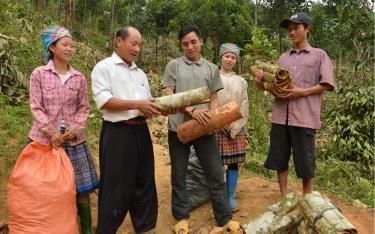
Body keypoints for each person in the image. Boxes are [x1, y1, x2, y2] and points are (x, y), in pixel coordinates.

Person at [163, 25, 243, 234]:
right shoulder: (173, 66)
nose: (190, 47)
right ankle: (181, 218)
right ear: (181, 45)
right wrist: (192, 111)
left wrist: (213, 121)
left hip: (205, 130)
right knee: (179, 174)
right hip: (178, 129)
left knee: (215, 173)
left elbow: (214, 98)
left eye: (193, 42)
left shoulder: (210, 68)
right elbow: (169, 95)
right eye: (185, 44)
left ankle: (225, 219)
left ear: (201, 41)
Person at [251, 12, 334, 196]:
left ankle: (307, 200)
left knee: (305, 163)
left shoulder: (319, 55)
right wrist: (261, 84)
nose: (292, 32)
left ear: (308, 29)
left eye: (296, 28)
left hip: (304, 117)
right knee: (280, 159)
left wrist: (302, 91)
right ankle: (283, 197)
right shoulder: (283, 59)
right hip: (281, 116)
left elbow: (327, 84)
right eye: (289, 29)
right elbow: (278, 89)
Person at [28, 25, 99, 234]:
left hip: (73, 142)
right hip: (44, 142)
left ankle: (86, 230)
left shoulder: (78, 78)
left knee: (81, 191)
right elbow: (35, 106)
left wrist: (76, 128)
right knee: (47, 190)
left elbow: (84, 107)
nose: (70, 49)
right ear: (52, 48)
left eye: (72, 45)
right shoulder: (39, 74)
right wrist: (52, 133)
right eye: (65, 44)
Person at [91, 26, 161, 234]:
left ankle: (147, 228)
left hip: (141, 132)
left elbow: (145, 104)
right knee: (115, 187)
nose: (137, 49)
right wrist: (138, 104)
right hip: (117, 134)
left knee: (145, 181)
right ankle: (106, 229)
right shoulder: (104, 68)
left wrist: (155, 108)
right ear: (119, 41)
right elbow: (104, 101)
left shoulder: (140, 74)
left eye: (140, 44)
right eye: (134, 43)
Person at [216, 43, 249, 212]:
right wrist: (218, 122)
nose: (229, 59)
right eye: (227, 56)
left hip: (236, 128)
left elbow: (244, 105)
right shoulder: (213, 77)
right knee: (216, 164)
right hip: (217, 127)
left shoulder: (241, 81)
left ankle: (230, 197)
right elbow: (210, 101)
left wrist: (235, 126)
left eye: (233, 57)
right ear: (221, 57)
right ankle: (218, 195)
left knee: (233, 163)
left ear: (236, 60)